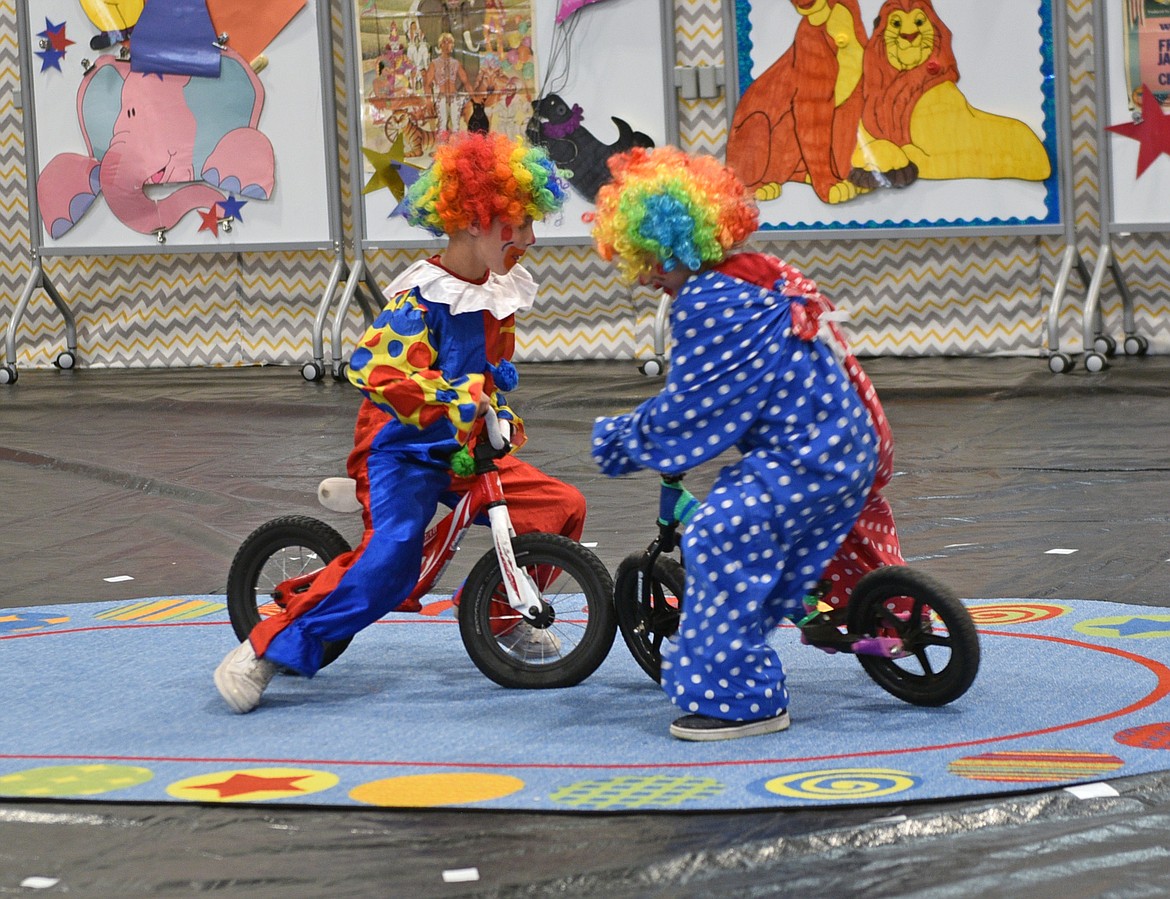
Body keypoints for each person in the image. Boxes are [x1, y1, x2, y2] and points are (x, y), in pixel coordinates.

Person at [215, 131, 583, 713]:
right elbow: (376, 372)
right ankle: (268, 648)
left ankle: (499, 614)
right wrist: (459, 394)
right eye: (518, 223)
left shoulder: (496, 289)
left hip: (463, 450)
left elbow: (490, 375)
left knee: (559, 506)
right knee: (392, 563)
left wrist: (494, 408)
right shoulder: (420, 297)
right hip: (401, 451)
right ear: (472, 221)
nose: (532, 239)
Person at [589, 146, 902, 742]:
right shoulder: (759, 272)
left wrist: (621, 441)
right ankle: (887, 611)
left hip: (810, 454)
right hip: (849, 438)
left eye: (653, 258)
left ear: (682, 242)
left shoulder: (711, 303)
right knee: (809, 530)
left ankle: (740, 698)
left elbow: (694, 410)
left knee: (719, 534)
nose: (648, 275)